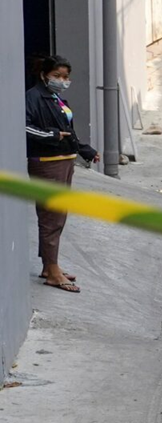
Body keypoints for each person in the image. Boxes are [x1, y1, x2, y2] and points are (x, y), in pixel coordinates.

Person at [25, 55, 98, 293]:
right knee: (51, 217)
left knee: (57, 216)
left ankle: (50, 266)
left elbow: (69, 130)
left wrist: (85, 151)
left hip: (64, 162)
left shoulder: (55, 98)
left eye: (65, 77)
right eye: (57, 76)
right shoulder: (33, 97)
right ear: (44, 75)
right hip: (47, 163)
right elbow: (23, 126)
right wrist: (52, 136)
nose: (62, 80)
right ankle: (52, 271)